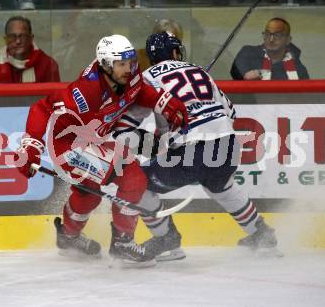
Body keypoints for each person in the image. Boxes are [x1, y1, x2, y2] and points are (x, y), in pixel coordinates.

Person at [15, 34, 188, 267]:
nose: (129, 69)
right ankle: (123, 244)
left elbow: (140, 91)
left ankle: (68, 236)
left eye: (130, 62)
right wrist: (32, 146)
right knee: (133, 177)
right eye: (121, 64)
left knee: (89, 194)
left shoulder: (130, 75)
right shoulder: (87, 92)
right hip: (68, 146)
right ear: (106, 65)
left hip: (93, 140)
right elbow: (42, 107)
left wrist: (164, 102)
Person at [114, 32, 281, 262]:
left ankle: (167, 240)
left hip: (193, 150)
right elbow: (231, 113)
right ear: (174, 52)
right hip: (228, 145)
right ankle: (262, 235)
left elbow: (126, 126)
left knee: (137, 185)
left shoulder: (146, 79)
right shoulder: (199, 70)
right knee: (221, 185)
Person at [0, 16, 60, 84]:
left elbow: (54, 99)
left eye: (22, 36)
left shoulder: (48, 64)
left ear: (31, 38)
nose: (18, 41)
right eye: (12, 36)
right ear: (6, 39)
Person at [230, 17, 309, 80]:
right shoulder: (248, 53)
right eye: (267, 34)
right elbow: (236, 71)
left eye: (277, 35)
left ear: (288, 40)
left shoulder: (298, 69)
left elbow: (307, 96)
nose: (271, 39)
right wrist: (244, 75)